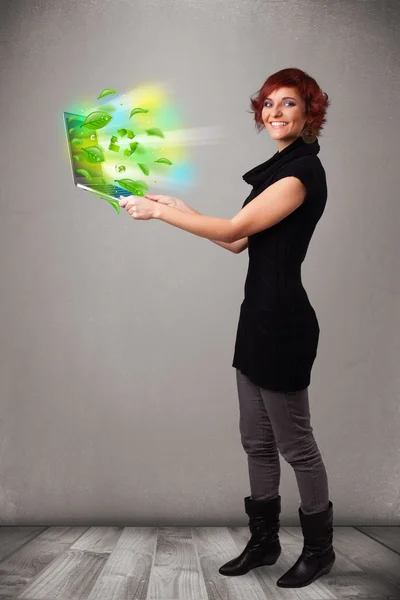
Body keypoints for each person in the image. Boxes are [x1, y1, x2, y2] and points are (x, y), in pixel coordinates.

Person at [119, 67, 335, 588]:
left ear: (310, 114)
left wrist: (156, 213)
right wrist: (181, 207)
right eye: (267, 104)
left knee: (296, 444)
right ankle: (264, 543)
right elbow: (237, 242)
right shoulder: (278, 170)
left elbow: (235, 227)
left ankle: (319, 550)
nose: (275, 112)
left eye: (288, 103)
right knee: (255, 442)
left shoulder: (300, 174)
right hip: (256, 319)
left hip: (283, 323)